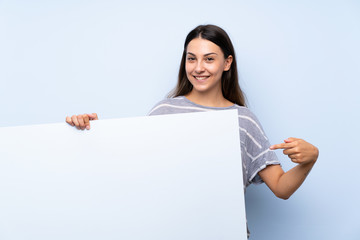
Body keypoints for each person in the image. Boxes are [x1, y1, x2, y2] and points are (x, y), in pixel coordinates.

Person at [66, 24, 319, 236]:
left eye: (209, 59)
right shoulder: (163, 111)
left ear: (227, 63)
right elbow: (132, 173)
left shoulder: (243, 120)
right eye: (191, 58)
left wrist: (308, 161)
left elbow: (281, 188)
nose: (198, 68)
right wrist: (93, 133)